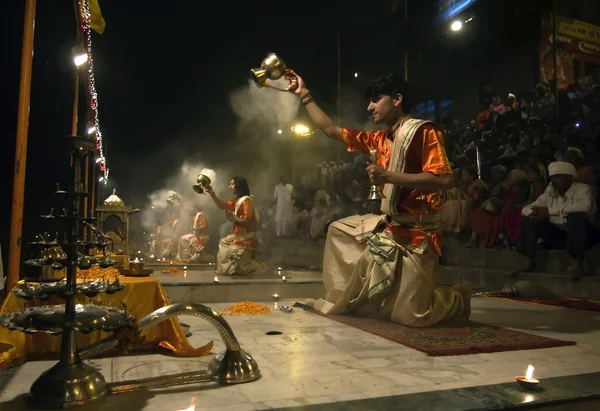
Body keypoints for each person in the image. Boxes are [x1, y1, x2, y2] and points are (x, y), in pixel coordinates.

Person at [288, 72, 471, 327]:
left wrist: (390, 176)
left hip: (418, 234)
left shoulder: (423, 131)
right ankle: (364, 294)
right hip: (389, 227)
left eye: (375, 100)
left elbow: (443, 180)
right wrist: (304, 95)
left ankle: (457, 298)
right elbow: (329, 129)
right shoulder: (378, 138)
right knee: (337, 230)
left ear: (397, 99)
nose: (369, 107)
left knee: (412, 316)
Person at [513, 161, 597, 280]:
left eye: (557, 177)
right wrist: (533, 212)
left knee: (576, 217)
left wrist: (548, 211)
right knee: (531, 219)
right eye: (551, 177)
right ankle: (529, 262)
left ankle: (578, 264)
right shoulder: (550, 192)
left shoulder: (583, 189)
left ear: (569, 177)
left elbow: (584, 207)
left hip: (586, 236)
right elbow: (526, 209)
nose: (553, 181)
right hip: (562, 236)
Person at [206, 177, 267, 276]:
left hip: (246, 236)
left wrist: (233, 216)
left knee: (242, 266)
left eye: (232, 184)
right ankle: (233, 268)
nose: (229, 187)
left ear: (239, 186)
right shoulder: (237, 201)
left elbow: (247, 222)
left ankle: (260, 267)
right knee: (223, 244)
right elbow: (222, 206)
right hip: (237, 235)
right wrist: (212, 193)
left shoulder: (246, 201)